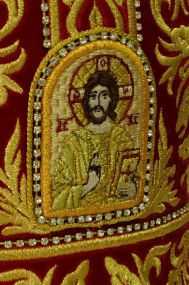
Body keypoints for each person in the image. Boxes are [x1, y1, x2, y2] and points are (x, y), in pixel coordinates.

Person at [51, 69, 138, 211]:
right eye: (93, 96)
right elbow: (56, 198)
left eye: (104, 96)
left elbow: (136, 177)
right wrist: (87, 186)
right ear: (87, 102)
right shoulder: (75, 143)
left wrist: (133, 189)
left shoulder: (122, 138)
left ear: (111, 100)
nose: (98, 102)